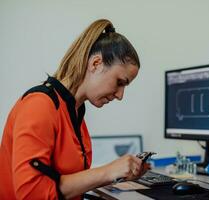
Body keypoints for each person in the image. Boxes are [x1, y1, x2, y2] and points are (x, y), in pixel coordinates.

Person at [0, 19, 149, 200]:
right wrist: (108, 171)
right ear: (96, 63)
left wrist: (118, 173)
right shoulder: (39, 106)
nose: (120, 95)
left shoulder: (75, 112)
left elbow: (69, 183)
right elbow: (32, 194)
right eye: (119, 82)